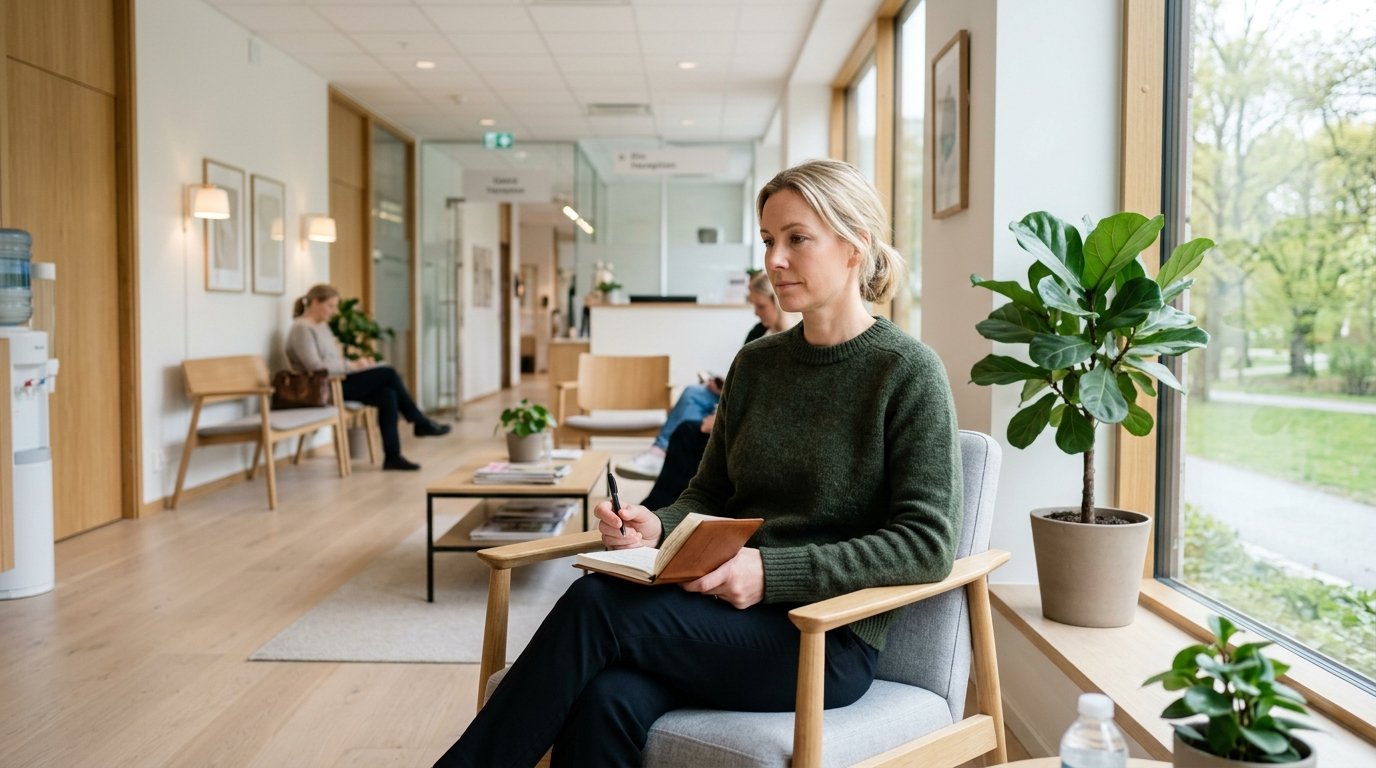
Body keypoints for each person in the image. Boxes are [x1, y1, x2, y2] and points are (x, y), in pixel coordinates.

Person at [434, 159, 963, 767]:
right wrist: (657, 526)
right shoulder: (758, 365)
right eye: (768, 240)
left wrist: (772, 572)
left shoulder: (906, 372)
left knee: (594, 605)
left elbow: (926, 544)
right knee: (607, 698)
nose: (775, 260)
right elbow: (709, 491)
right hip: (719, 615)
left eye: (797, 239)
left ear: (855, 246)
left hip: (823, 637)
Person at [615, 271, 800, 481]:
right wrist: (722, 387)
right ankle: (659, 455)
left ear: (777, 303)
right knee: (694, 394)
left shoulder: (790, 342)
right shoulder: (757, 332)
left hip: (754, 407)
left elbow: (771, 393)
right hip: (741, 397)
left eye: (761, 306)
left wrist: (724, 418)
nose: (756, 313)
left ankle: (662, 463)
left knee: (687, 428)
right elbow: (743, 377)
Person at [286, 284, 450, 471]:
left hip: (340, 381)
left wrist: (358, 364)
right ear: (315, 302)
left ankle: (393, 457)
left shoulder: (322, 327)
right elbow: (315, 368)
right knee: (388, 373)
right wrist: (352, 366)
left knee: (388, 394)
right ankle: (419, 422)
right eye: (331, 306)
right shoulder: (301, 329)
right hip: (325, 388)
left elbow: (334, 360)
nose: (335, 311)